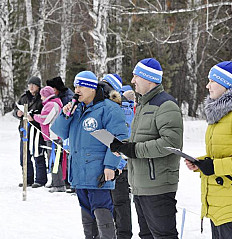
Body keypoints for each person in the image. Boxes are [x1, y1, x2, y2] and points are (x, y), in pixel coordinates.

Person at [184, 61, 232, 239]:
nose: (207, 85)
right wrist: (201, 163)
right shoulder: (219, 116)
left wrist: (215, 167)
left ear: (225, 84)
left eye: (212, 81)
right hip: (219, 200)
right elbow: (221, 153)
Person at [110, 58, 184, 239]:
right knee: (146, 235)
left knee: (163, 235)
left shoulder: (166, 105)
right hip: (140, 185)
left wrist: (133, 150)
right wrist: (123, 146)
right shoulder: (143, 105)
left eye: (136, 76)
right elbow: (141, 139)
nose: (133, 80)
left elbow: (171, 143)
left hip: (158, 185)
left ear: (149, 79)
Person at [51, 71, 128, 239]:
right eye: (75, 86)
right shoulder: (75, 108)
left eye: (81, 86)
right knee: (86, 216)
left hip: (98, 173)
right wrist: (65, 114)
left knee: (102, 214)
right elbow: (58, 132)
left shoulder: (109, 108)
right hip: (79, 172)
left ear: (92, 88)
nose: (76, 90)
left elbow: (119, 139)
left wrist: (110, 165)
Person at [101, 74, 134, 239]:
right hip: (107, 164)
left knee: (120, 203)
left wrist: (118, 165)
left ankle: (123, 235)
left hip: (120, 165)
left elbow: (123, 139)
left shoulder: (124, 110)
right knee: (107, 205)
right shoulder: (105, 107)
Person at [13, 76, 48, 188]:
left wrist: (33, 116)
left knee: (38, 154)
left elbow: (44, 112)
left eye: (34, 85)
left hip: (37, 130)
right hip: (25, 130)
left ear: (38, 86)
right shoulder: (24, 97)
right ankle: (27, 179)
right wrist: (17, 113)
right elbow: (15, 109)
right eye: (30, 84)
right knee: (24, 155)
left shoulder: (42, 97)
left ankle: (40, 179)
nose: (31, 87)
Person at [32, 86, 65, 193]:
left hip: (53, 136)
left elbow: (45, 119)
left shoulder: (51, 104)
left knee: (54, 161)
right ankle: (56, 182)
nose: (41, 98)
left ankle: (58, 185)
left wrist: (34, 117)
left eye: (42, 95)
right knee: (54, 160)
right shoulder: (54, 103)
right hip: (53, 135)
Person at [46, 76, 74, 192]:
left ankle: (67, 181)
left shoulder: (67, 97)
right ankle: (59, 180)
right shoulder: (58, 97)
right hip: (60, 131)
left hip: (67, 132)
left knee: (64, 156)